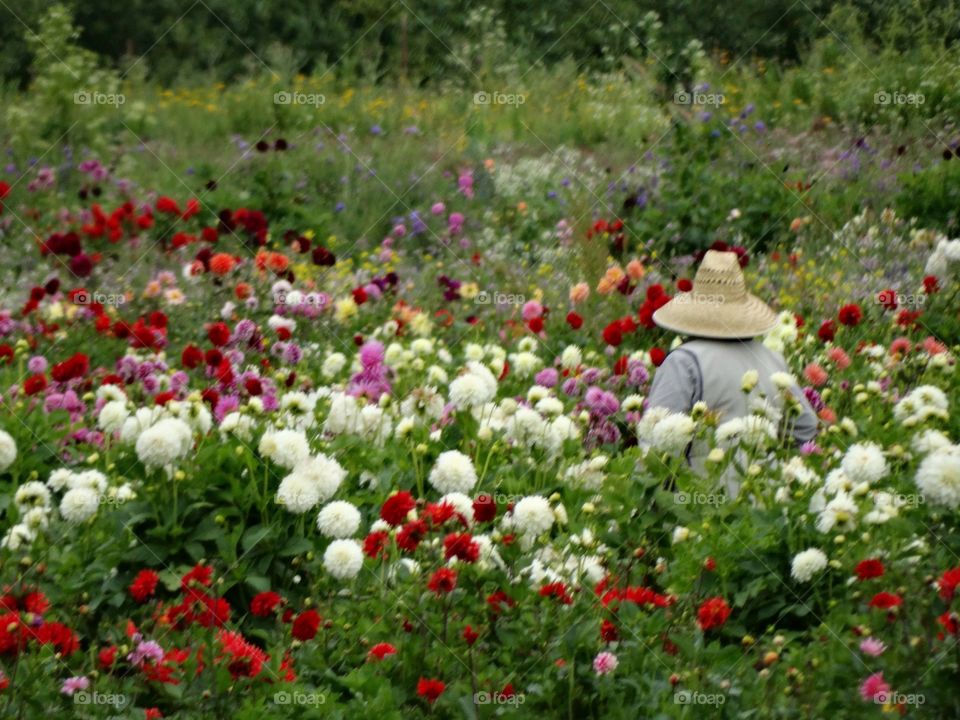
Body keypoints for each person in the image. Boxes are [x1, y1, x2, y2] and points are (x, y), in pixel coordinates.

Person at [645, 250, 818, 475]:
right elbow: (805, 429)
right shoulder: (771, 358)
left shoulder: (683, 362)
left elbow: (656, 449)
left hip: (700, 500)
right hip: (765, 498)